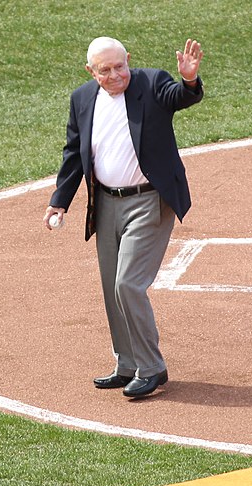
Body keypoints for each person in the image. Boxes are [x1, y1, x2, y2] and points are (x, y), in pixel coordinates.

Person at [43, 37, 204, 398]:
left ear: (128, 59)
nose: (115, 75)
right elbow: (74, 153)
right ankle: (127, 363)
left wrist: (189, 81)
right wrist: (60, 200)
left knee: (128, 284)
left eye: (120, 66)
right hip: (105, 204)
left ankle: (152, 368)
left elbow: (181, 97)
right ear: (91, 71)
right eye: (106, 70)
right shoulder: (82, 99)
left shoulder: (151, 82)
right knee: (110, 285)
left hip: (148, 201)